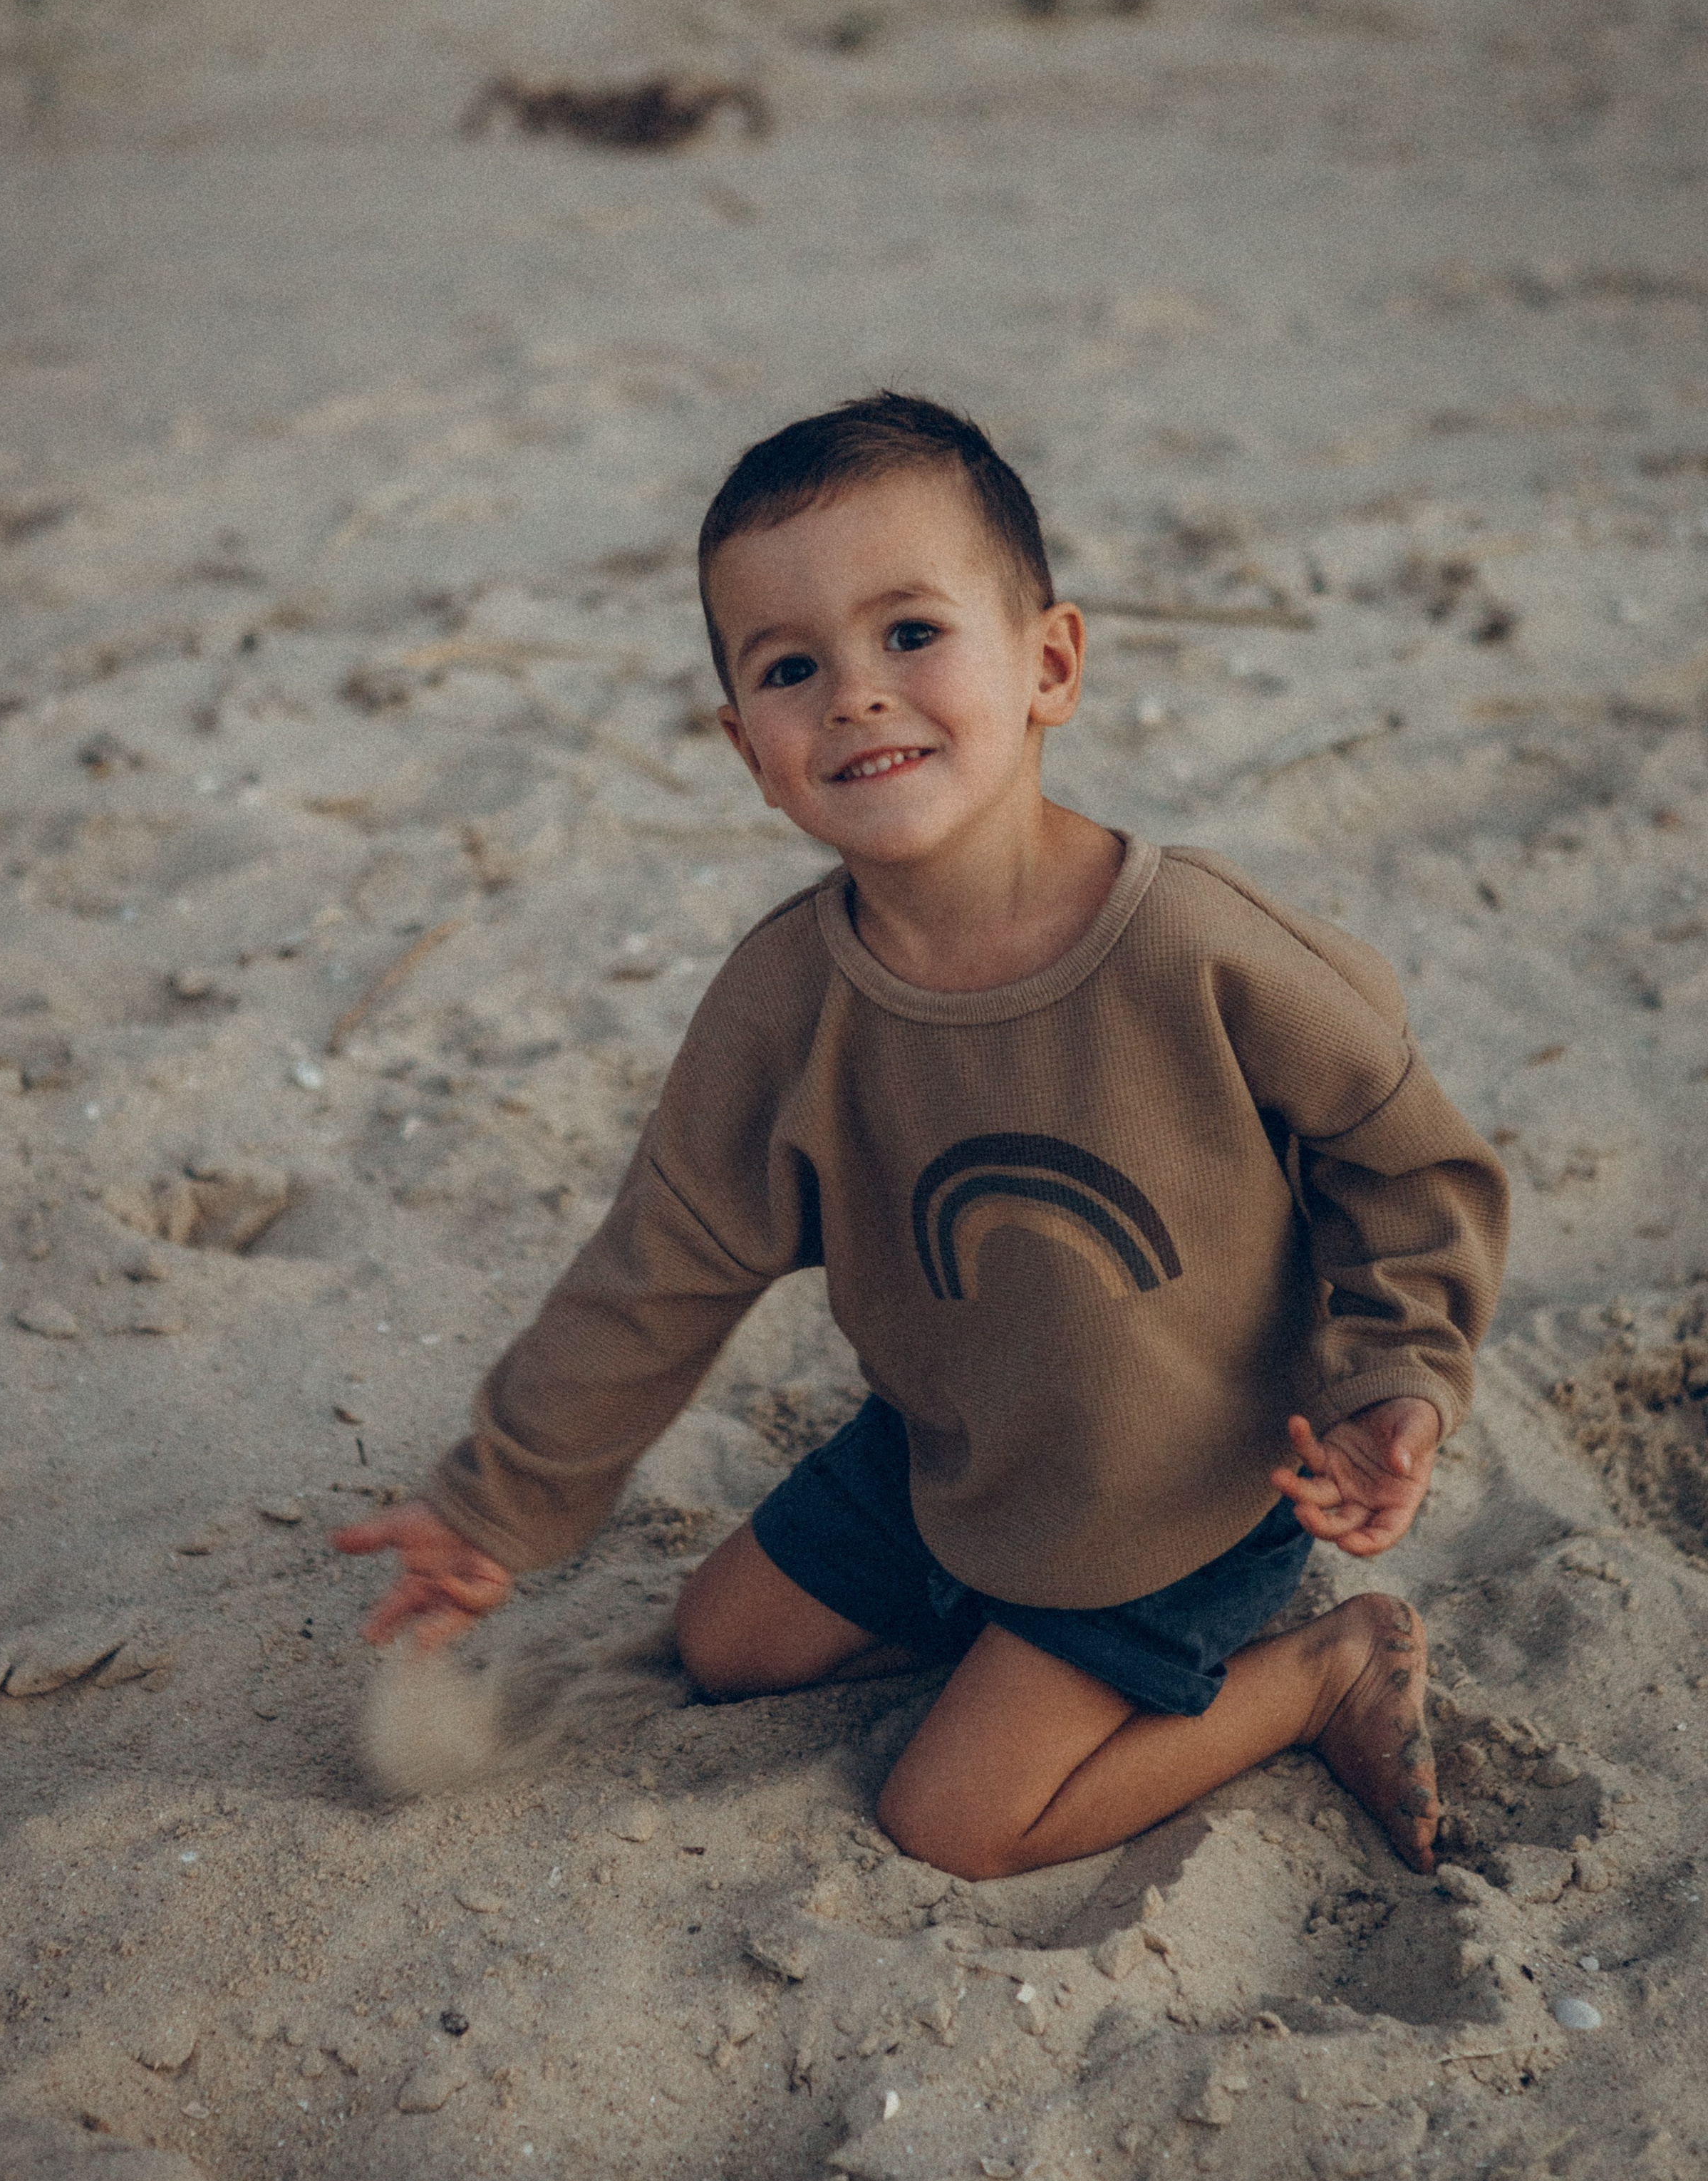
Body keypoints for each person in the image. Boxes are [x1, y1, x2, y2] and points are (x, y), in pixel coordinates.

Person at [335, 392, 1507, 1881]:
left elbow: (1405, 1168)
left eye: (909, 634)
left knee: (951, 1821)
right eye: (788, 666)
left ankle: (1317, 1671)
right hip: (951, 1451)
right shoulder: (784, 1002)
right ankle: (986, 1619)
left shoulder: (1202, 953)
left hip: (1182, 1492)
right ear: (746, 748)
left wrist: (1392, 1382)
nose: (852, 695)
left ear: (1048, 664)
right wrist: (499, 1497)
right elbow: (664, 1263)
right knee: (724, 1642)